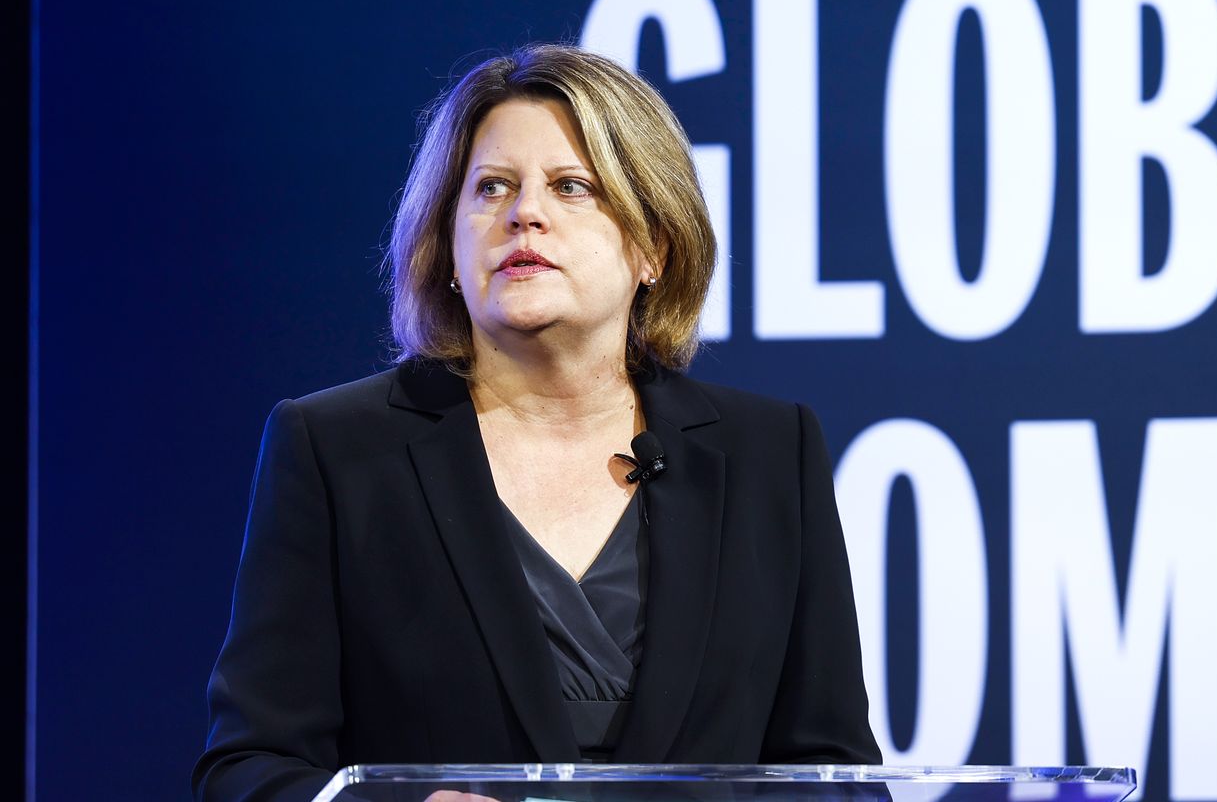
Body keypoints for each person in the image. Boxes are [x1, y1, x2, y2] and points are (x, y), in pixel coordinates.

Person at [193, 45, 881, 802]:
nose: (524, 213)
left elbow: (835, 775)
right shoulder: (334, 450)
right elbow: (247, 770)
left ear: (654, 245)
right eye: (491, 188)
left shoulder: (767, 455)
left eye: (571, 187)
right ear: (449, 248)